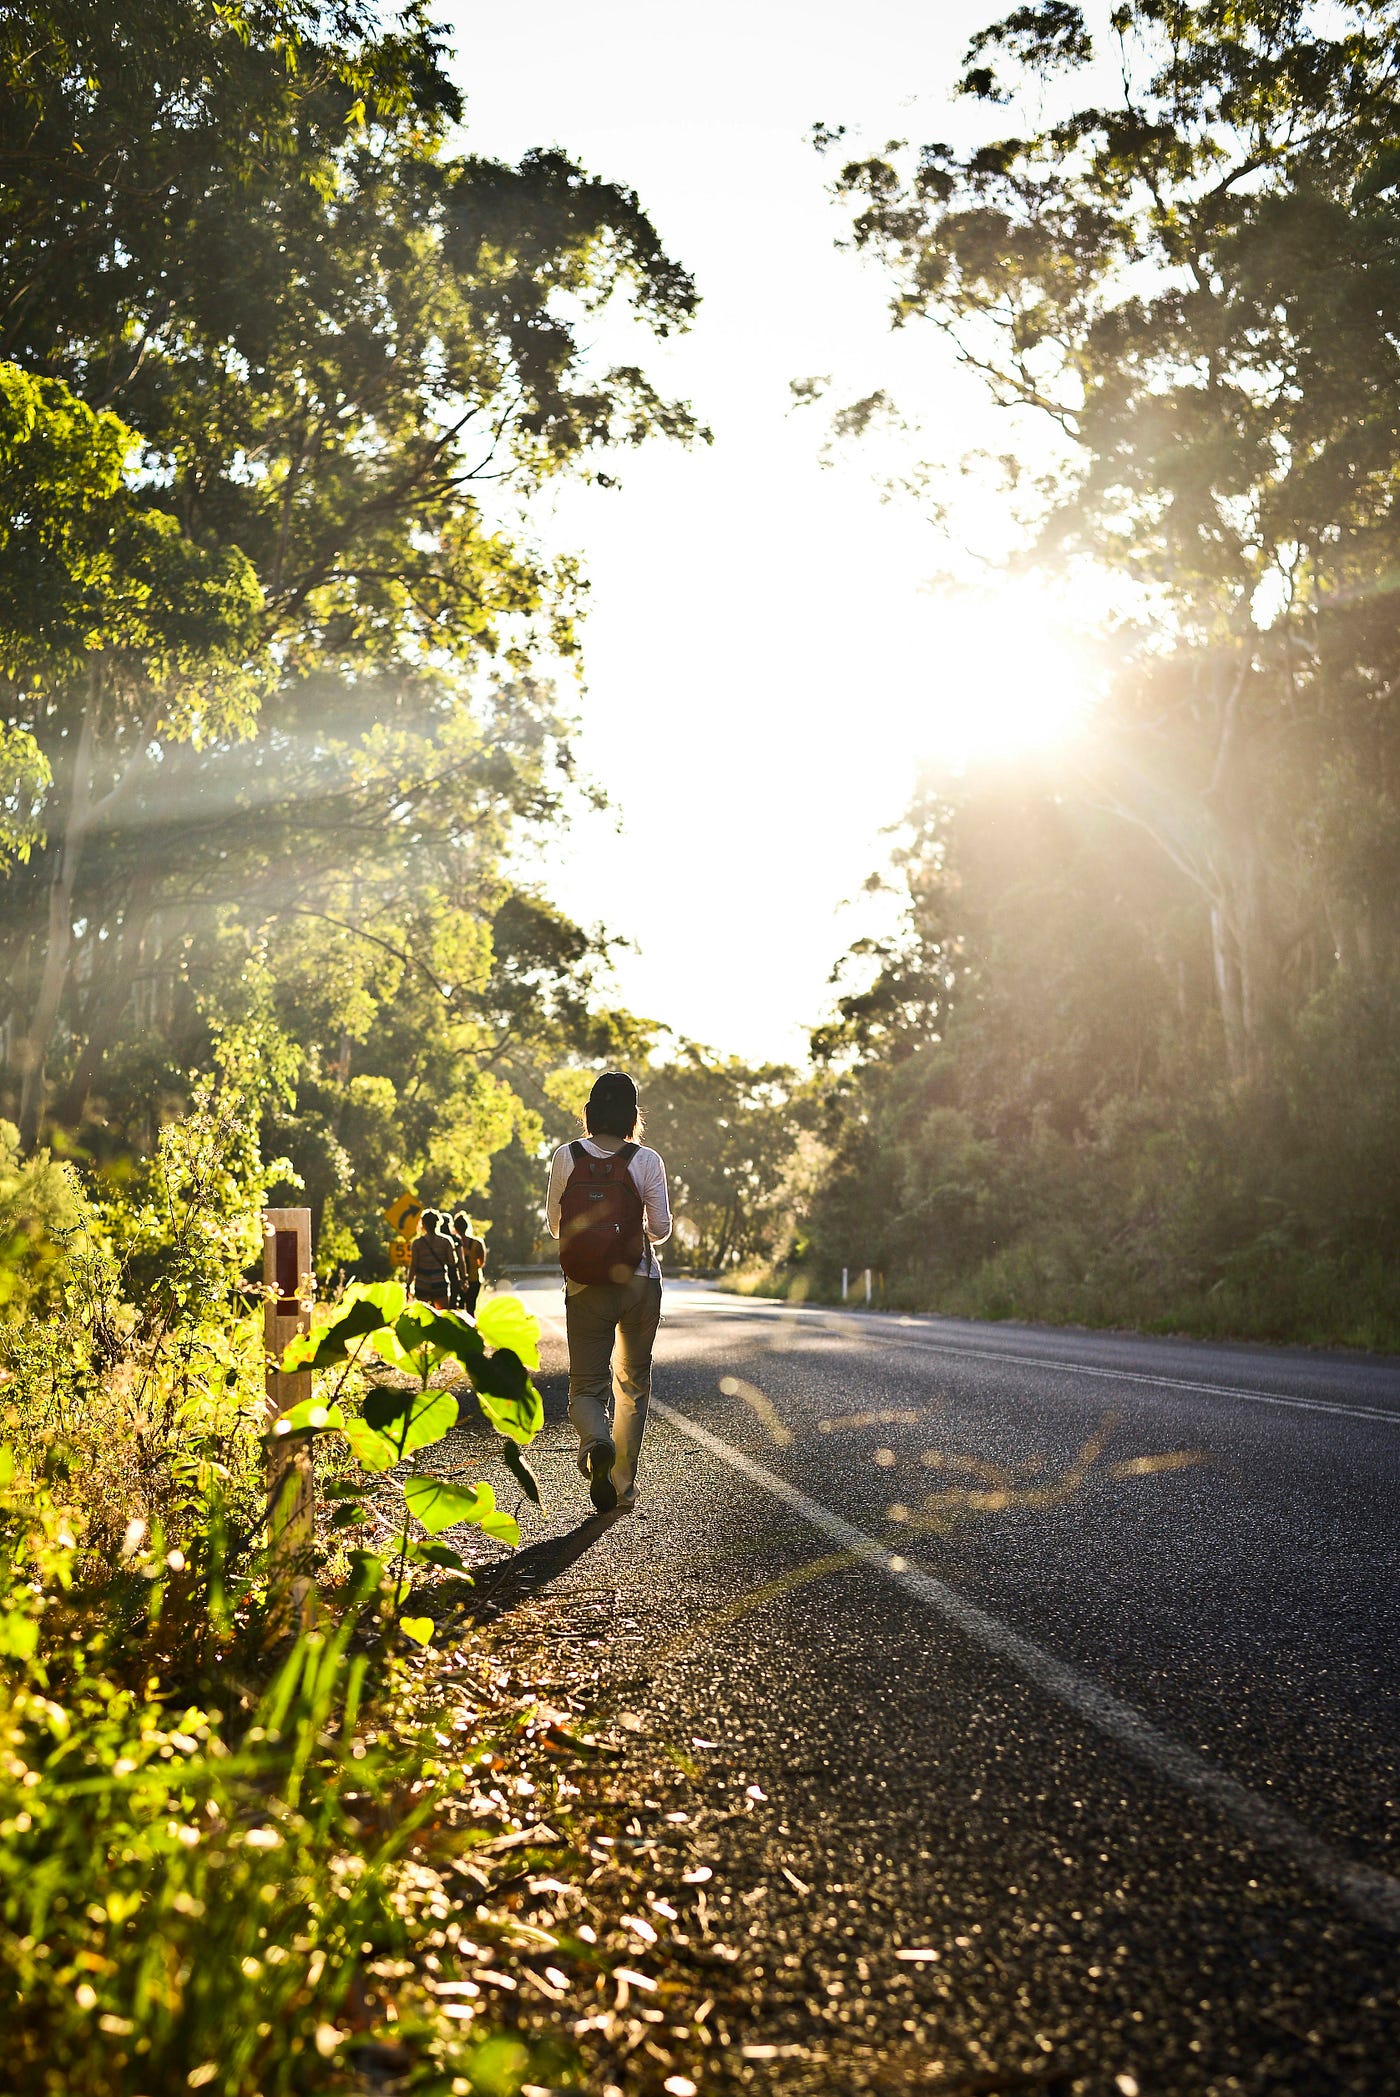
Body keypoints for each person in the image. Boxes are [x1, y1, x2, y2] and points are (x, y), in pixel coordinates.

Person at [545, 1069, 671, 1515]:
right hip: (639, 1284)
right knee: (633, 1384)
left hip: (583, 1287)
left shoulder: (566, 1156)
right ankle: (621, 1484)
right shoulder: (647, 1160)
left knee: (585, 1387)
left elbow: (555, 1225)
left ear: (589, 1114)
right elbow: (660, 1229)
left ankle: (595, 1440)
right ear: (634, 1116)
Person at [406, 1207, 459, 1309]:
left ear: (423, 1224)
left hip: (422, 1283)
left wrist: (408, 1284)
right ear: (437, 1223)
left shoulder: (417, 1243)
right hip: (440, 1282)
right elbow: (452, 1262)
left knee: (422, 1315)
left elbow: (413, 1265)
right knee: (441, 1315)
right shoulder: (446, 1241)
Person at [449, 1211, 486, 1315]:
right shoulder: (477, 1243)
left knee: (459, 1309)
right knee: (471, 1308)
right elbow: (481, 1263)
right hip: (474, 1279)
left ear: (455, 1227)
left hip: (458, 1280)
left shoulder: (453, 1243)